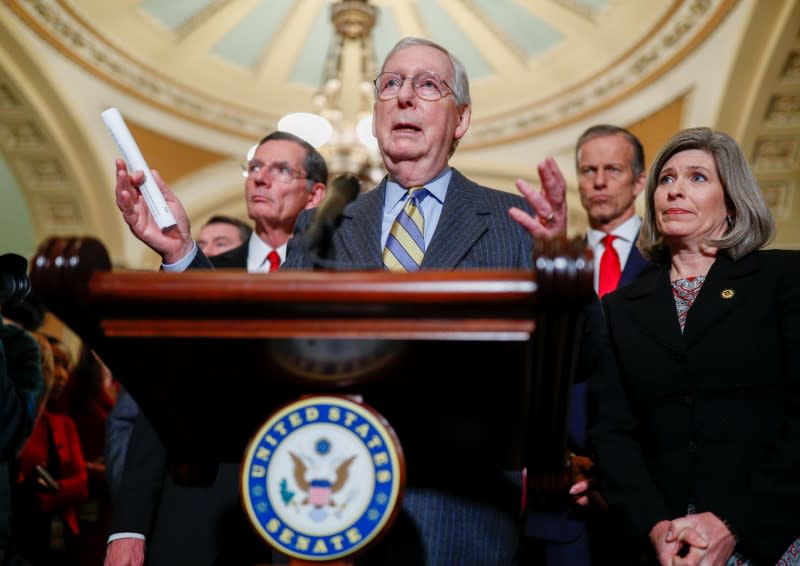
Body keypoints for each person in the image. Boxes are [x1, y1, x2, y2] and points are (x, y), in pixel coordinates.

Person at [112, 36, 568, 565]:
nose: (404, 97)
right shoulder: (324, 223)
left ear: (461, 119)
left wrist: (561, 269)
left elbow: (582, 362)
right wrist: (183, 252)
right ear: (375, 114)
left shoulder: (514, 225)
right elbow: (264, 352)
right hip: (329, 515)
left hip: (460, 519)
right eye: (390, 84)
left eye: (427, 85)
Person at [105, 130, 328, 566]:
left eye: (280, 169)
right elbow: (158, 402)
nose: (260, 179)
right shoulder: (196, 265)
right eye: (255, 167)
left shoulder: (341, 273)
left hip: (304, 499)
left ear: (315, 194)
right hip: (197, 502)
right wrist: (129, 524)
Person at [589, 127, 800, 565]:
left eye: (697, 178)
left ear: (732, 201)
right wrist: (654, 525)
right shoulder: (620, 308)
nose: (675, 190)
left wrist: (732, 523)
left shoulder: (783, 280)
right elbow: (613, 432)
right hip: (664, 544)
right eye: (666, 179)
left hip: (770, 533)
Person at [524, 124, 651, 565]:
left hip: (649, 489)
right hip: (564, 486)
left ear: (638, 180)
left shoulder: (671, 260)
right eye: (588, 170)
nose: (598, 181)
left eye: (612, 170)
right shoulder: (554, 261)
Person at [13, 335, 88, 566]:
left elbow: (81, 483)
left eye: (66, 366)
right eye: (54, 363)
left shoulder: (64, 423)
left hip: (59, 534)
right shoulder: (16, 418)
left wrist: (48, 496)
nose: (61, 375)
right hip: (19, 532)